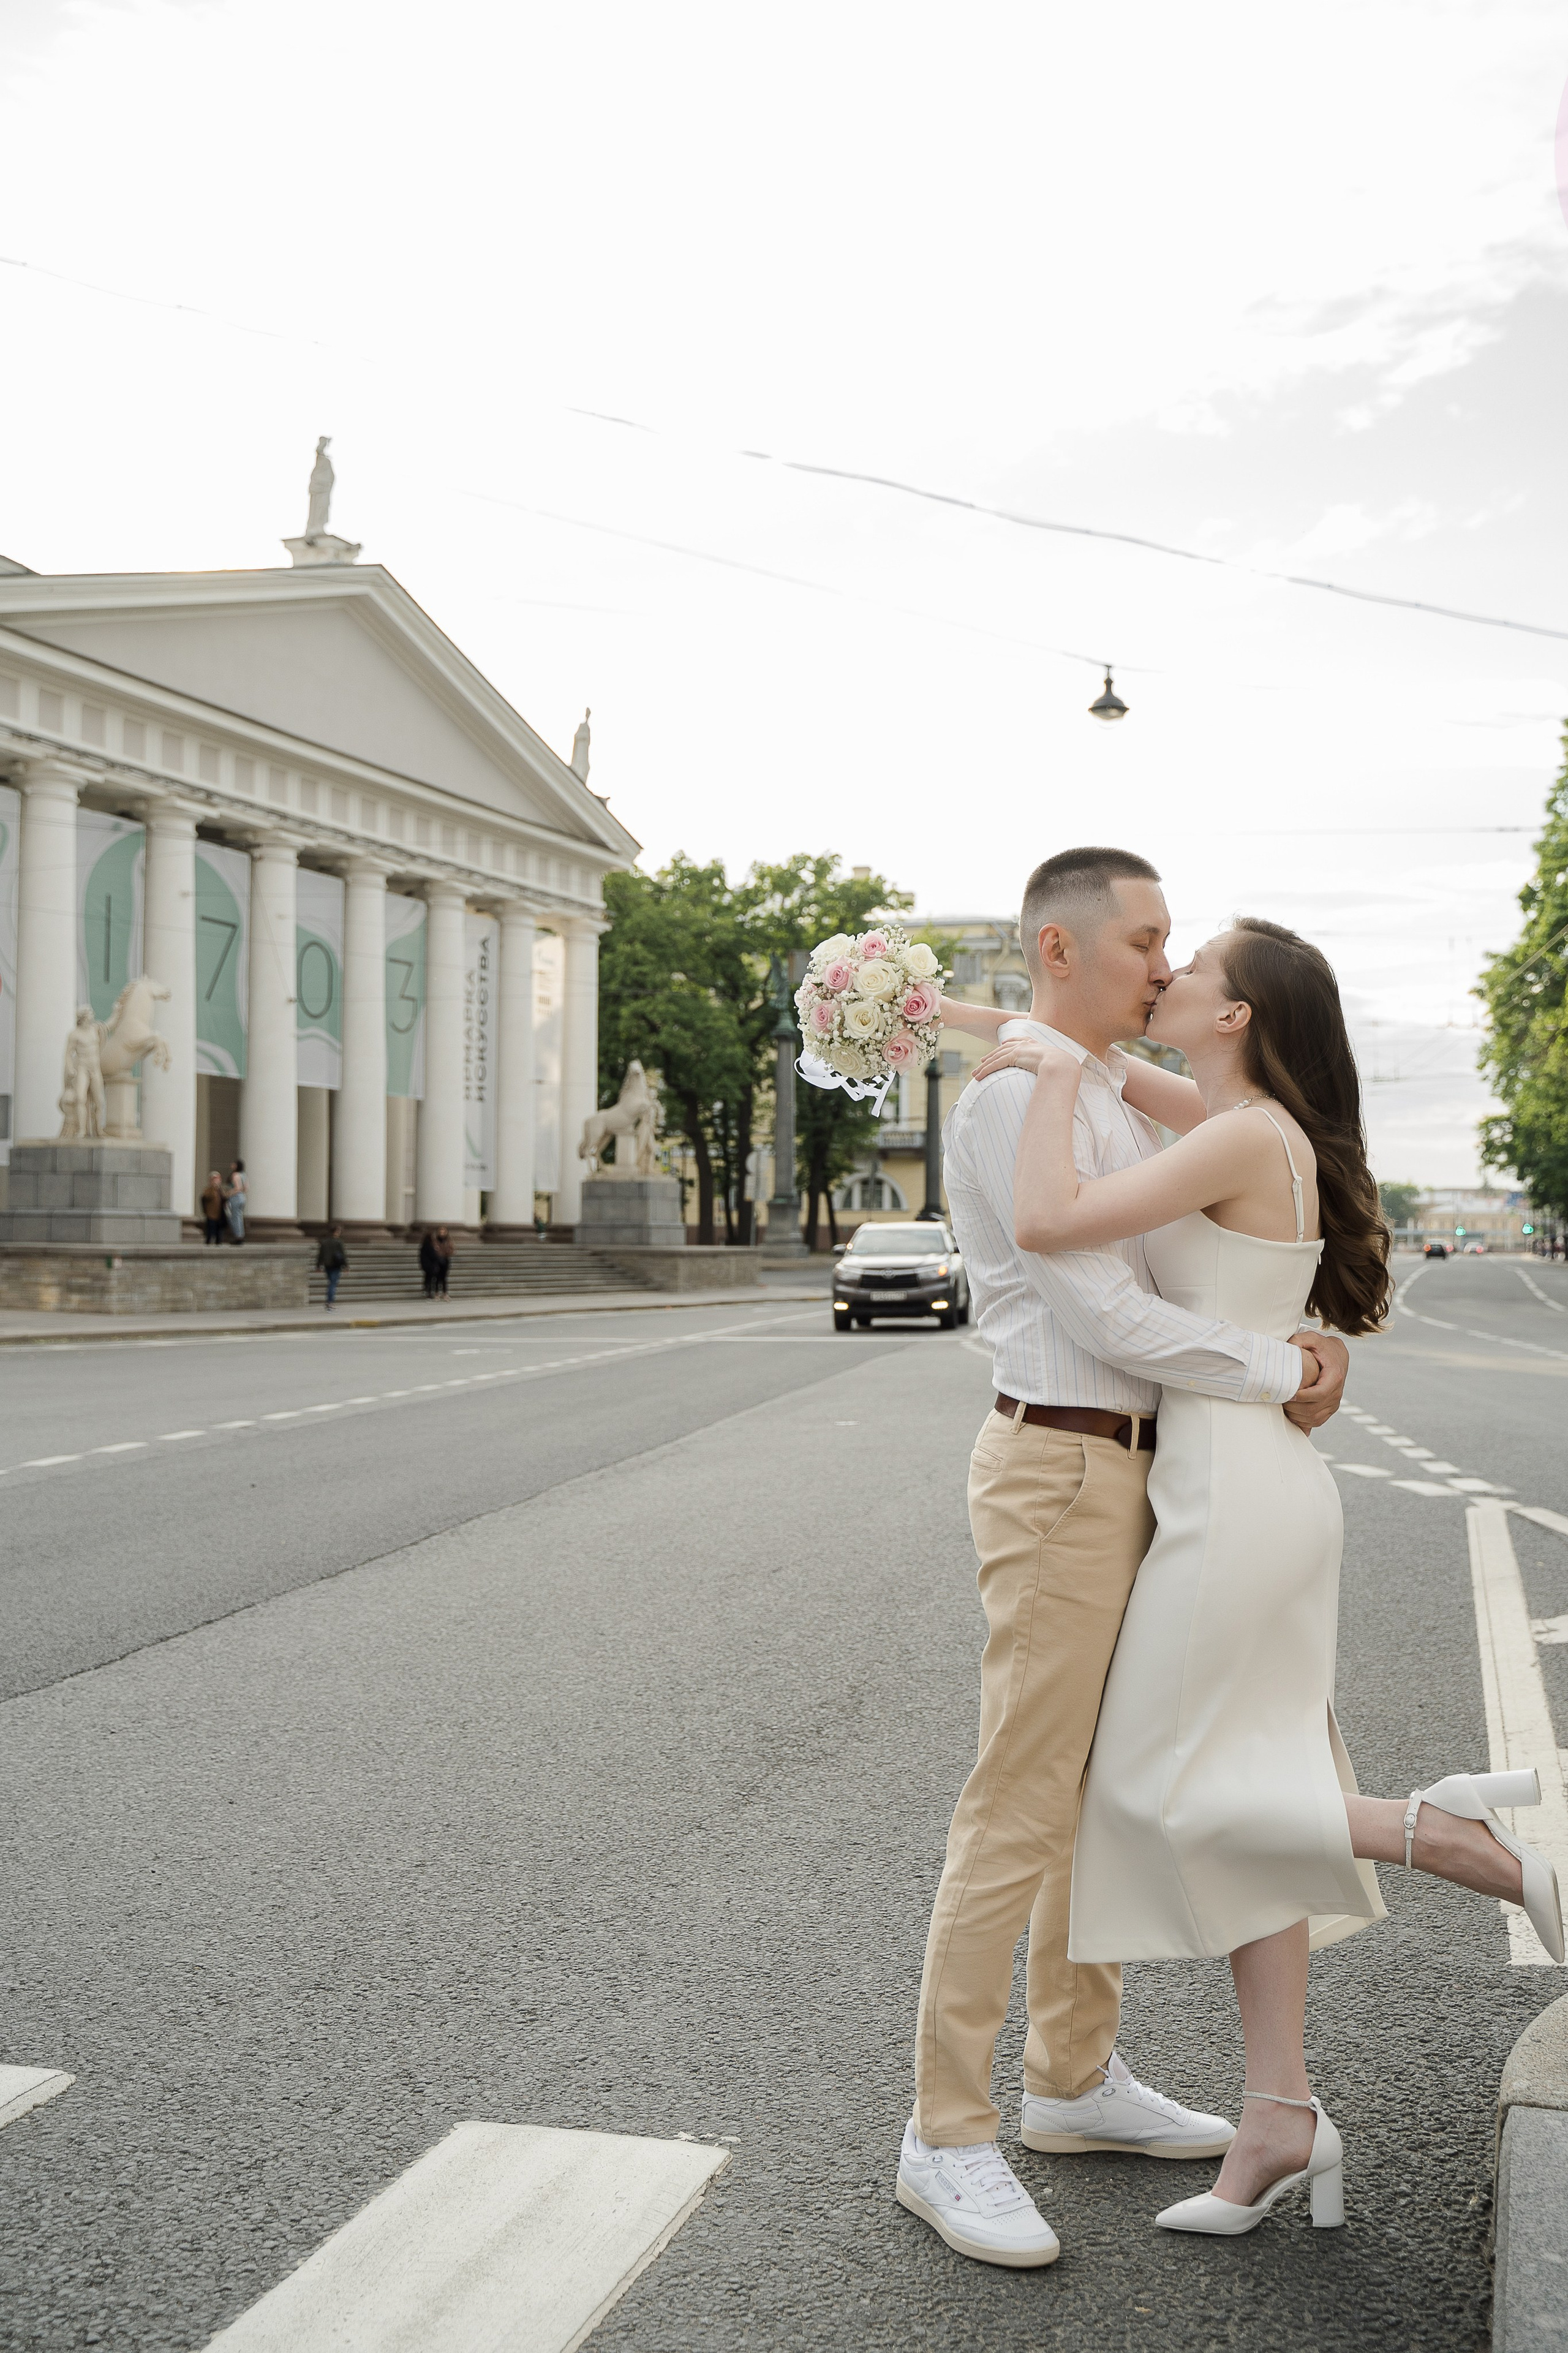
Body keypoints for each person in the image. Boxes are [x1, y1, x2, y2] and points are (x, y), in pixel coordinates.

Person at [965, 902, 1564, 2240]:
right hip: (1246, 1478)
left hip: (1233, 1490)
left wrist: (1055, 1073)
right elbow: (1085, 1050)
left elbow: (1053, 1215)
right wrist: (913, 1010)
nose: (1166, 974)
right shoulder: (1234, 1116)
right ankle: (1276, 2113)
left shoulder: (1236, 1132)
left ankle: (1435, 1834)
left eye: (1196, 969)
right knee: (1236, 1779)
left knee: (1162, 1788)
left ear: (1233, 1016)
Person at [895, 847, 1351, 2271]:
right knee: (1016, 1798)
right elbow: (1101, 1312)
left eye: (1170, 943)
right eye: (1144, 938)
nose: (1160, 962)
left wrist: (1275, 1356)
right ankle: (944, 2131)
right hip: (1057, 1461)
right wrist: (1273, 1361)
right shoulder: (1020, 1102)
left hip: (1141, 1467)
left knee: (1086, 1789)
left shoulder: (1087, 1082)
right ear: (1057, 947)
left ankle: (1070, 2077)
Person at [316, 1223, 347, 1309]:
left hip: (327, 1265)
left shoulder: (325, 1242)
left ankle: (329, 1301)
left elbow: (320, 1255)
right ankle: (330, 1302)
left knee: (331, 1282)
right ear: (336, 1232)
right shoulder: (339, 1242)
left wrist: (318, 1266)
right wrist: (346, 1266)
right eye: (339, 1231)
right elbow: (343, 1255)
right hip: (336, 1265)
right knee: (333, 1284)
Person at [224, 1160, 247, 1244]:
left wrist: (228, 1194)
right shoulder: (244, 1175)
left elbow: (238, 1188)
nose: (232, 1165)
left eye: (233, 1164)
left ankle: (238, 1236)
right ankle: (241, 1235)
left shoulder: (235, 1175)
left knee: (234, 1217)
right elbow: (246, 1188)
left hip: (235, 1198)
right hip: (242, 1198)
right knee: (239, 1217)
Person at [200, 1170, 225, 1246]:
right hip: (211, 1212)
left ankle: (218, 1240)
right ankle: (209, 1239)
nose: (218, 1181)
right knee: (210, 1227)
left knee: (219, 1228)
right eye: (216, 1179)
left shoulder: (220, 1190)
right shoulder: (208, 1190)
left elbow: (224, 1198)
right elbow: (206, 1197)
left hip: (219, 1212)